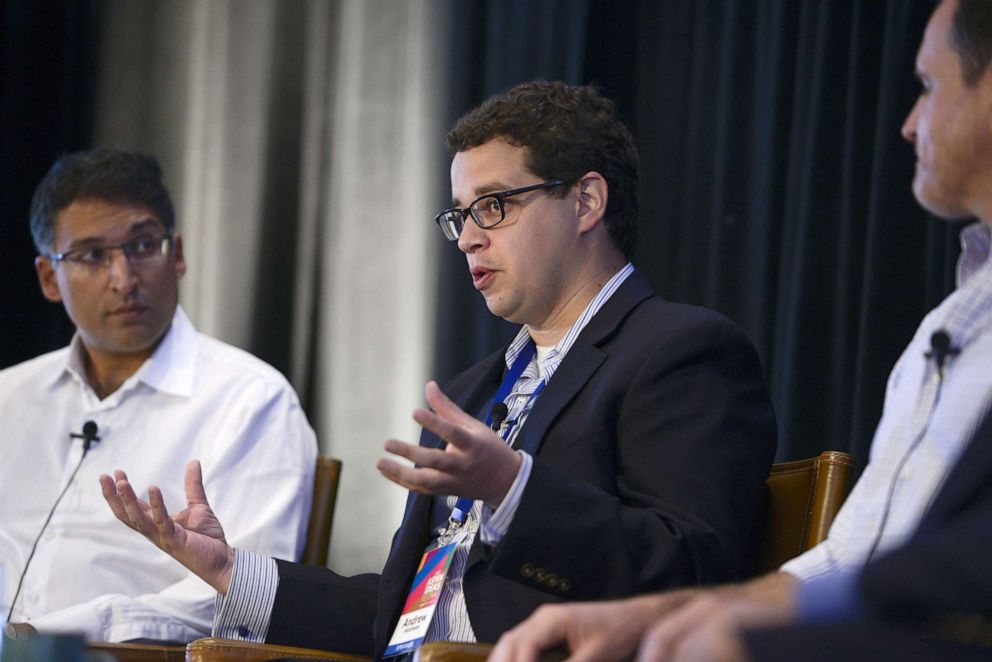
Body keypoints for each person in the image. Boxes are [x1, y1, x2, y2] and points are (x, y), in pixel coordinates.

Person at [100, 81, 777, 658]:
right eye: (460, 215)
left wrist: (515, 491)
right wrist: (228, 572)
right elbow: (398, 615)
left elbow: (694, 572)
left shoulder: (680, 351)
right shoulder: (471, 392)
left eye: (495, 206)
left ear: (587, 201)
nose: (471, 237)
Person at [488, 1, 992, 660]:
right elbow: (847, 559)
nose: (905, 125)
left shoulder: (679, 350)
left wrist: (757, 638)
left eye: (927, 88)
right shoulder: (947, 324)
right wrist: (659, 618)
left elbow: (942, 579)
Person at [0, 147, 317, 643]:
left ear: (180, 254)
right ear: (48, 278)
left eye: (144, 245)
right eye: (91, 256)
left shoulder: (250, 399)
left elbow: (241, 598)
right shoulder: (8, 398)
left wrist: (36, 639)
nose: (124, 279)